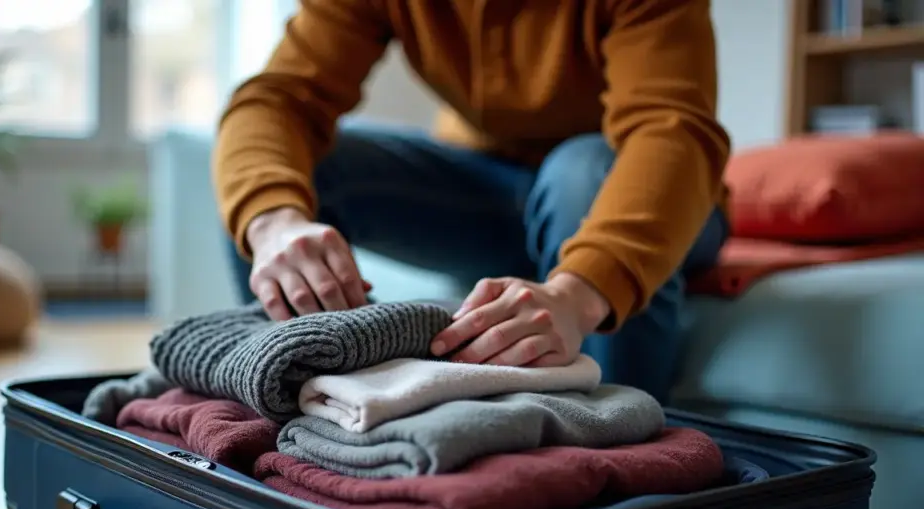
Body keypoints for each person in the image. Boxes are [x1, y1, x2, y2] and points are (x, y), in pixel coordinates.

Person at [212, 0, 731, 404]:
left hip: (641, 194)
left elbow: (672, 132)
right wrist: (273, 223)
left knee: (581, 171)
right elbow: (277, 100)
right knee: (272, 178)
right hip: (491, 190)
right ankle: (301, 409)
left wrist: (576, 296)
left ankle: (625, 454)